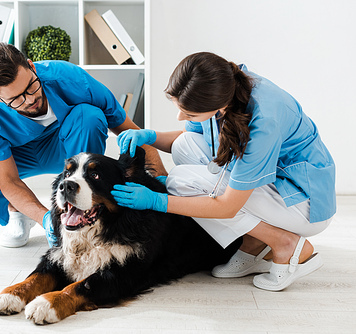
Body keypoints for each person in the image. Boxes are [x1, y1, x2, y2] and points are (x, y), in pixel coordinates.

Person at [111, 52, 335, 291]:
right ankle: (254, 243)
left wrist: (157, 200)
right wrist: (150, 135)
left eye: (188, 114)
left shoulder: (263, 122)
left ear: (218, 107)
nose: (179, 117)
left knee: (180, 182)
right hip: (273, 185)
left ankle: (285, 243)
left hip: (302, 204)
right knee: (183, 147)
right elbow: (191, 138)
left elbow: (228, 207)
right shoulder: (222, 85)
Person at [0, 43, 166, 248]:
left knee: (89, 116)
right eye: (16, 99)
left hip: (67, 148)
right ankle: (18, 211)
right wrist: (47, 218)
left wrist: (163, 185)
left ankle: (83, 207)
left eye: (31, 86)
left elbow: (131, 132)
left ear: (31, 67)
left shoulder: (70, 78)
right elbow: (7, 179)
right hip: (15, 157)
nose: (29, 100)